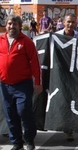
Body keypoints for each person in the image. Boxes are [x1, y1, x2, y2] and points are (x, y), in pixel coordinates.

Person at [0, 15, 42, 150]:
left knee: (24, 111)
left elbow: (35, 62)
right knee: (10, 115)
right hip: (5, 85)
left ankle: (29, 140)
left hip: (23, 84)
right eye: (9, 24)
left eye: (15, 24)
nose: (12, 26)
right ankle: (17, 143)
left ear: (19, 26)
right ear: (6, 26)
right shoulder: (0, 40)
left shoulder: (26, 42)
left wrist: (38, 82)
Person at [55, 13, 78, 141]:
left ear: (76, 23)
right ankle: (64, 125)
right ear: (63, 22)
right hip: (60, 74)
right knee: (62, 100)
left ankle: (70, 128)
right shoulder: (56, 37)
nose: (70, 24)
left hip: (74, 75)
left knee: (72, 100)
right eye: (68, 22)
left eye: (73, 22)